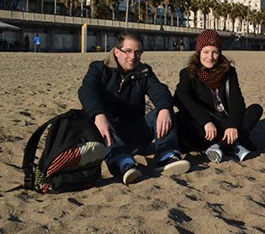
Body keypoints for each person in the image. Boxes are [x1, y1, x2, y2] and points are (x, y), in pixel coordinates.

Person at [78, 31, 190, 185]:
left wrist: (164, 109)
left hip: (134, 132)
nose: (133, 57)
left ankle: (167, 155)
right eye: (128, 51)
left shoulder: (144, 72)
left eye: (138, 52)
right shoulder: (99, 68)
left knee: (164, 109)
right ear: (117, 52)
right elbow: (86, 91)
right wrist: (98, 114)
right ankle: (123, 162)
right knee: (96, 118)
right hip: (108, 133)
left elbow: (159, 91)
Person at [174, 30, 262, 163]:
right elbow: (181, 98)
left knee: (255, 109)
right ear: (198, 53)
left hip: (225, 120)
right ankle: (233, 145)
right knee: (181, 119)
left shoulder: (229, 72)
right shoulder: (188, 73)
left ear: (220, 53)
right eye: (205, 52)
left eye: (214, 52)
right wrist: (205, 121)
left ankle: (220, 146)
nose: (210, 57)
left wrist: (232, 125)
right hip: (206, 123)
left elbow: (236, 101)